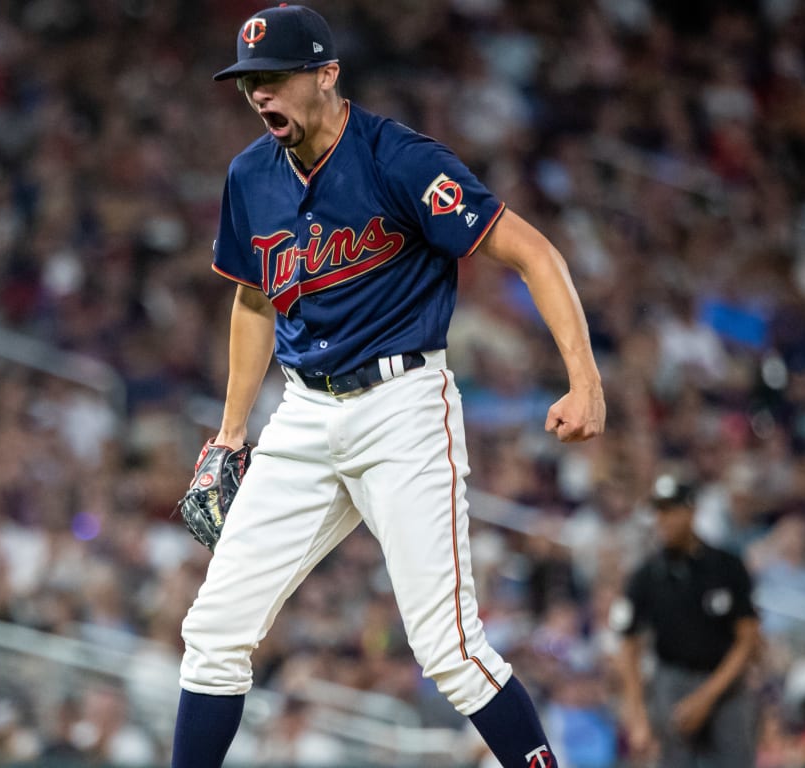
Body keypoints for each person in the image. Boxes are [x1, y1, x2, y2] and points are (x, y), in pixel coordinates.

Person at [171, 6, 606, 767]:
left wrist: (585, 379)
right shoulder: (249, 175)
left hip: (402, 409)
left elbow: (533, 252)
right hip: (304, 413)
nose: (259, 96)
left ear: (327, 74)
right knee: (212, 632)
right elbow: (252, 297)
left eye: (273, 79)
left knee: (449, 648)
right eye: (249, 84)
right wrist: (232, 432)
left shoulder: (400, 159)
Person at [614, 477, 760, 768]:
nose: (663, 520)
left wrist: (706, 697)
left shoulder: (726, 566)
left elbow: (748, 639)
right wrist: (637, 714)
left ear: (691, 512)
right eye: (659, 512)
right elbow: (628, 645)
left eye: (671, 510)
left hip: (725, 686)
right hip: (672, 684)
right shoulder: (646, 576)